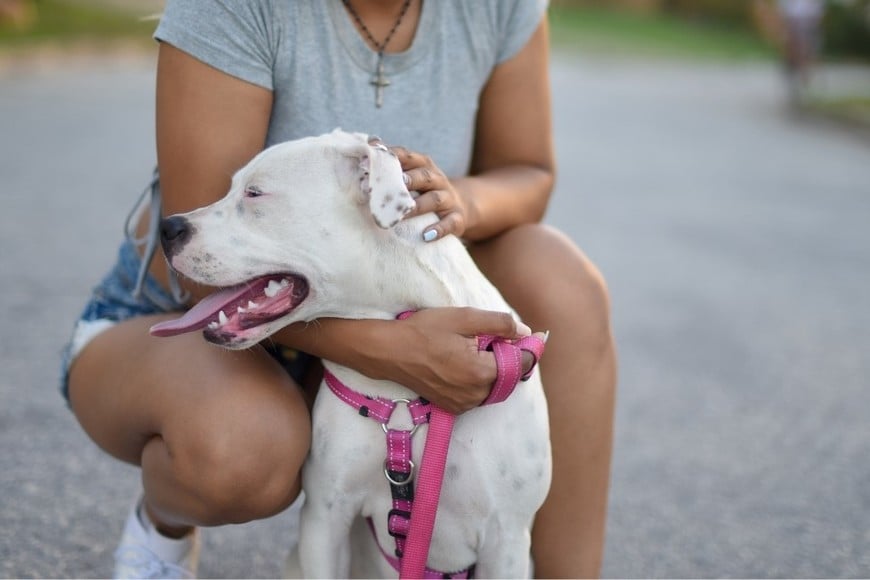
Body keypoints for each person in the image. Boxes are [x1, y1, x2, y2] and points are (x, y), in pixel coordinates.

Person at [61, 0, 617, 578]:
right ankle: (165, 521)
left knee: (562, 279)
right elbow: (198, 267)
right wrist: (396, 352)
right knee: (242, 449)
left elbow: (527, 168)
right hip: (203, 317)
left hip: (383, 291)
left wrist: (455, 204)